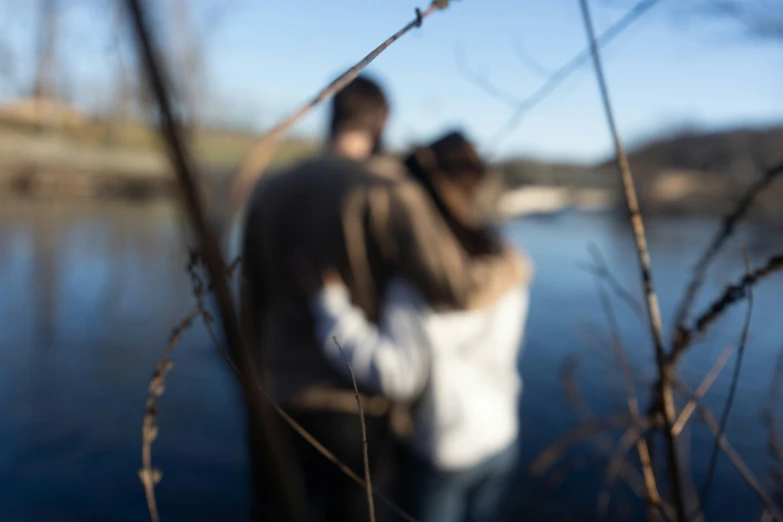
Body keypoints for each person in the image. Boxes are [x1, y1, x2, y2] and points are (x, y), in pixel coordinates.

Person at [241, 77, 528, 522]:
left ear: (332, 117)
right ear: (382, 123)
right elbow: (459, 289)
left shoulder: (269, 189)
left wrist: (252, 381)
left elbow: (248, 302)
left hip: (276, 399)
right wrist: (516, 267)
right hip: (353, 410)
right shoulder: (386, 191)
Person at [304, 131, 533, 522]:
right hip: (501, 437)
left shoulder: (416, 283)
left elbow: (397, 376)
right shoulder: (506, 260)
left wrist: (331, 306)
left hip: (444, 453)